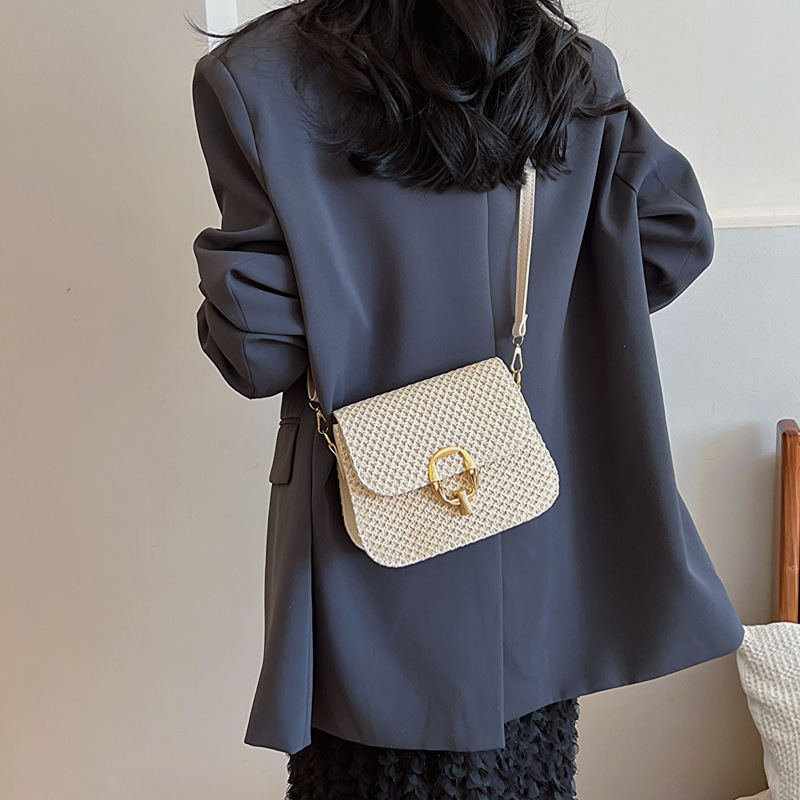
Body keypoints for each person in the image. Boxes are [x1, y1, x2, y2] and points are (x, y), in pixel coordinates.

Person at [187, 2, 744, 798]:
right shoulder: (565, 71)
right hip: (529, 536)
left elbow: (258, 350)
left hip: (365, 554)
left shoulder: (254, 77)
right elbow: (674, 234)